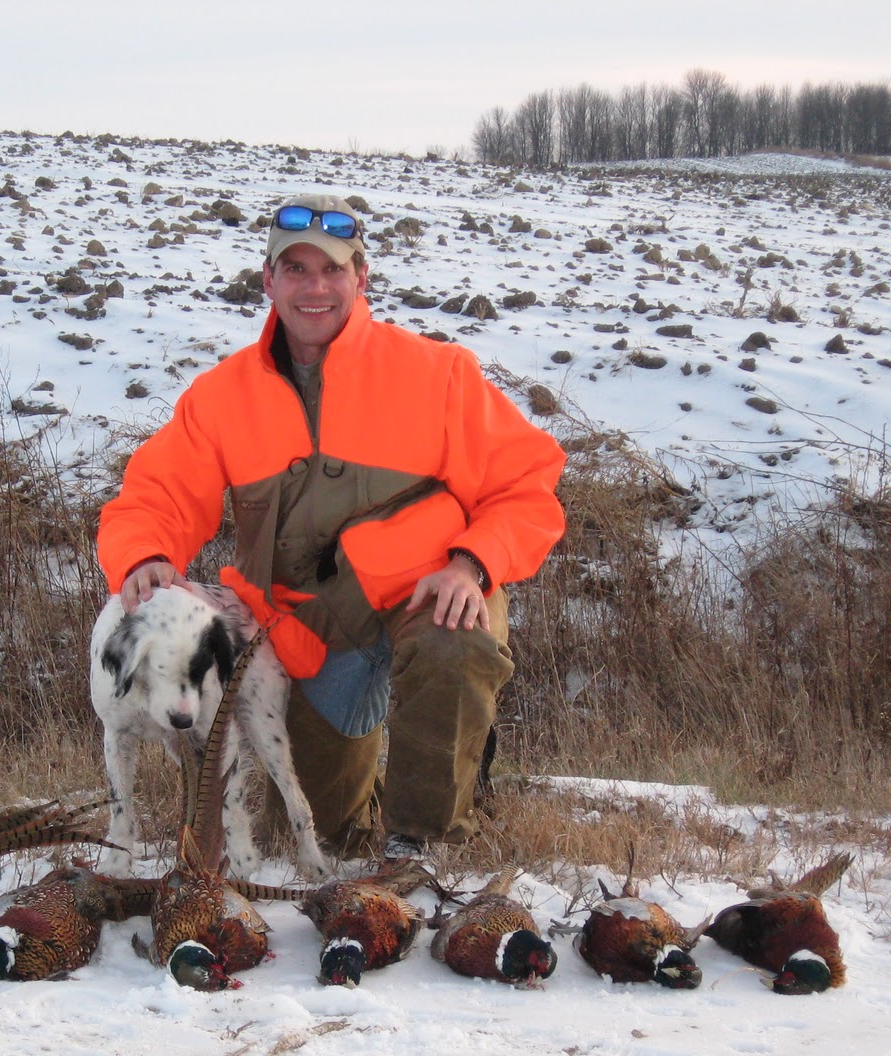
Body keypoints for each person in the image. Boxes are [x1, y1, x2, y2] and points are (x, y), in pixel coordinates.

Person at [96, 193, 566, 861]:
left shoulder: (439, 374)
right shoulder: (223, 397)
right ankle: (366, 808)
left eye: (333, 270)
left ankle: (421, 844)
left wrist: (474, 563)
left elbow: (528, 485)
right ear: (267, 280)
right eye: (295, 270)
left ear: (362, 277)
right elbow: (154, 495)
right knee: (326, 833)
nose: (315, 288)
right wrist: (144, 553)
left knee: (454, 642)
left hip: (426, 596)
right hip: (309, 633)